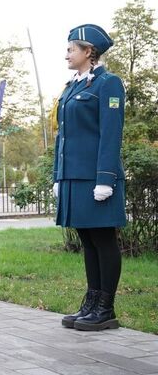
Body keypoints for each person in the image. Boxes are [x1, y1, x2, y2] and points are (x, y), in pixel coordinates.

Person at [55, 24, 125, 331]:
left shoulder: (108, 84)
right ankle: (91, 301)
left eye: (72, 48)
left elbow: (111, 134)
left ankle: (105, 308)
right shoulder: (72, 87)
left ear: (89, 52)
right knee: (88, 240)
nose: (67, 54)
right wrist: (59, 177)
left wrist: (105, 178)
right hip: (75, 178)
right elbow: (64, 137)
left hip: (96, 179)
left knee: (103, 240)